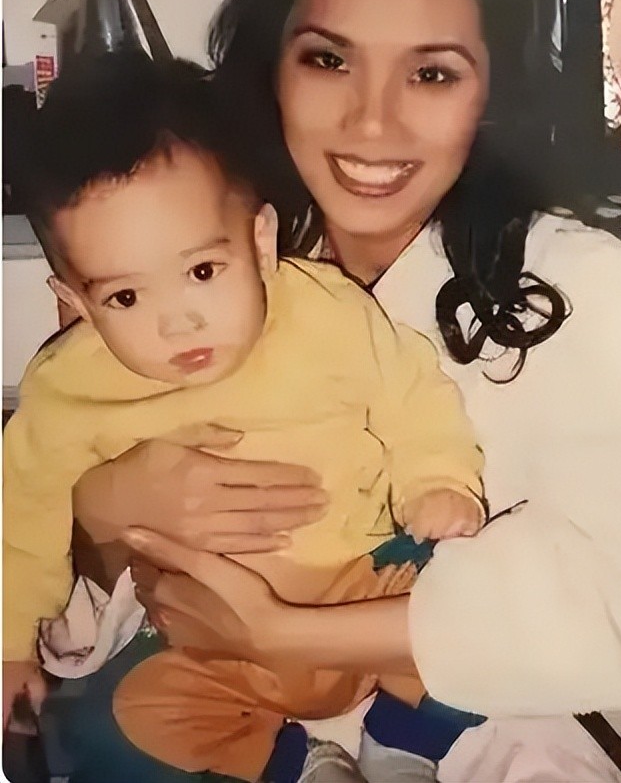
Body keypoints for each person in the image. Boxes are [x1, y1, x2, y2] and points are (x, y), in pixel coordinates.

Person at [44, 0, 621, 783]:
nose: (372, 121)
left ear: (495, 88)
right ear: (271, 61)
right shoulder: (184, 259)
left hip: (479, 727)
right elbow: (75, 564)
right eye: (329, 60)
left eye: (432, 72)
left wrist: (291, 631)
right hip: (225, 716)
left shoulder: (580, 285)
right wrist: (100, 510)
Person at [4, 52, 488, 783]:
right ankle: (292, 763)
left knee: (490, 610)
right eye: (125, 298)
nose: (178, 323)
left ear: (260, 242)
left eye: (202, 272)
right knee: (102, 734)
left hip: (366, 594)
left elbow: (412, 392)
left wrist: (437, 482)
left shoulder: (325, 311)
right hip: (209, 640)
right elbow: (22, 514)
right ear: (75, 302)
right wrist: (10, 643)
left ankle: (402, 742)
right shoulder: (68, 388)